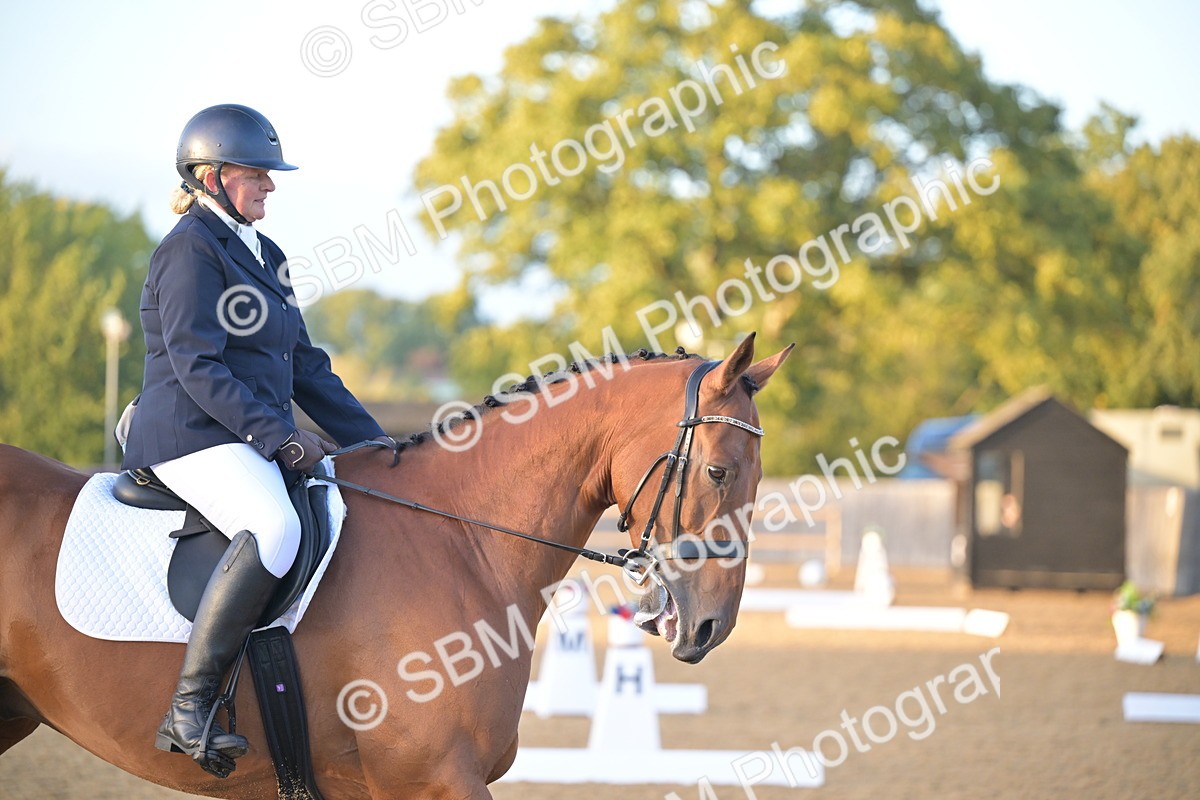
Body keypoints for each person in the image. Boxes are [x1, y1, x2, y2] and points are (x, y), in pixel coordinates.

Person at [120, 103, 389, 774]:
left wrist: (382, 447)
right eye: (257, 173)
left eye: (270, 174)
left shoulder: (265, 254)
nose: (271, 184)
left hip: (239, 436)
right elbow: (196, 364)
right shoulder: (188, 250)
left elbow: (305, 366)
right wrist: (280, 437)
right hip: (188, 436)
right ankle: (190, 707)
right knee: (274, 528)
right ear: (210, 176)